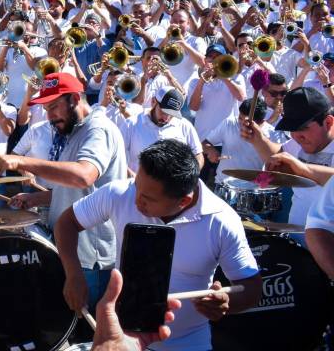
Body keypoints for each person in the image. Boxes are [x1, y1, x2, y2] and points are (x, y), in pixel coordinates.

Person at [55, 139, 262, 350]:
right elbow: (66, 222)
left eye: (147, 199)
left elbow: (251, 288)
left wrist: (225, 303)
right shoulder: (118, 193)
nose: (136, 200)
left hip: (188, 342)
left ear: (184, 201)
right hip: (123, 338)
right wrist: (73, 274)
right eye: (136, 186)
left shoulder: (222, 221)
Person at [0, 72, 128, 307]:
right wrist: (37, 198)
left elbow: (84, 176)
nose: (49, 116)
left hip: (89, 256)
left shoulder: (98, 130)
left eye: (54, 107)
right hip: (74, 250)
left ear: (74, 99)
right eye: (45, 109)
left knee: (86, 332)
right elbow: (83, 192)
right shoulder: (75, 131)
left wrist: (21, 161)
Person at [241, 86, 332, 227]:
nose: (297, 136)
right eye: (292, 129)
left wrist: (304, 169)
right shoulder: (302, 140)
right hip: (296, 238)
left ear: (328, 122)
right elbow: (278, 155)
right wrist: (257, 139)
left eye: (303, 128)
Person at [120, 87, 203, 174]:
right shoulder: (131, 124)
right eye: (163, 112)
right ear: (153, 102)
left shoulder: (185, 126)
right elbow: (116, 154)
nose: (166, 118)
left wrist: (189, 175)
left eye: (171, 114)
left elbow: (198, 154)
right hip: (136, 185)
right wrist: (131, 175)